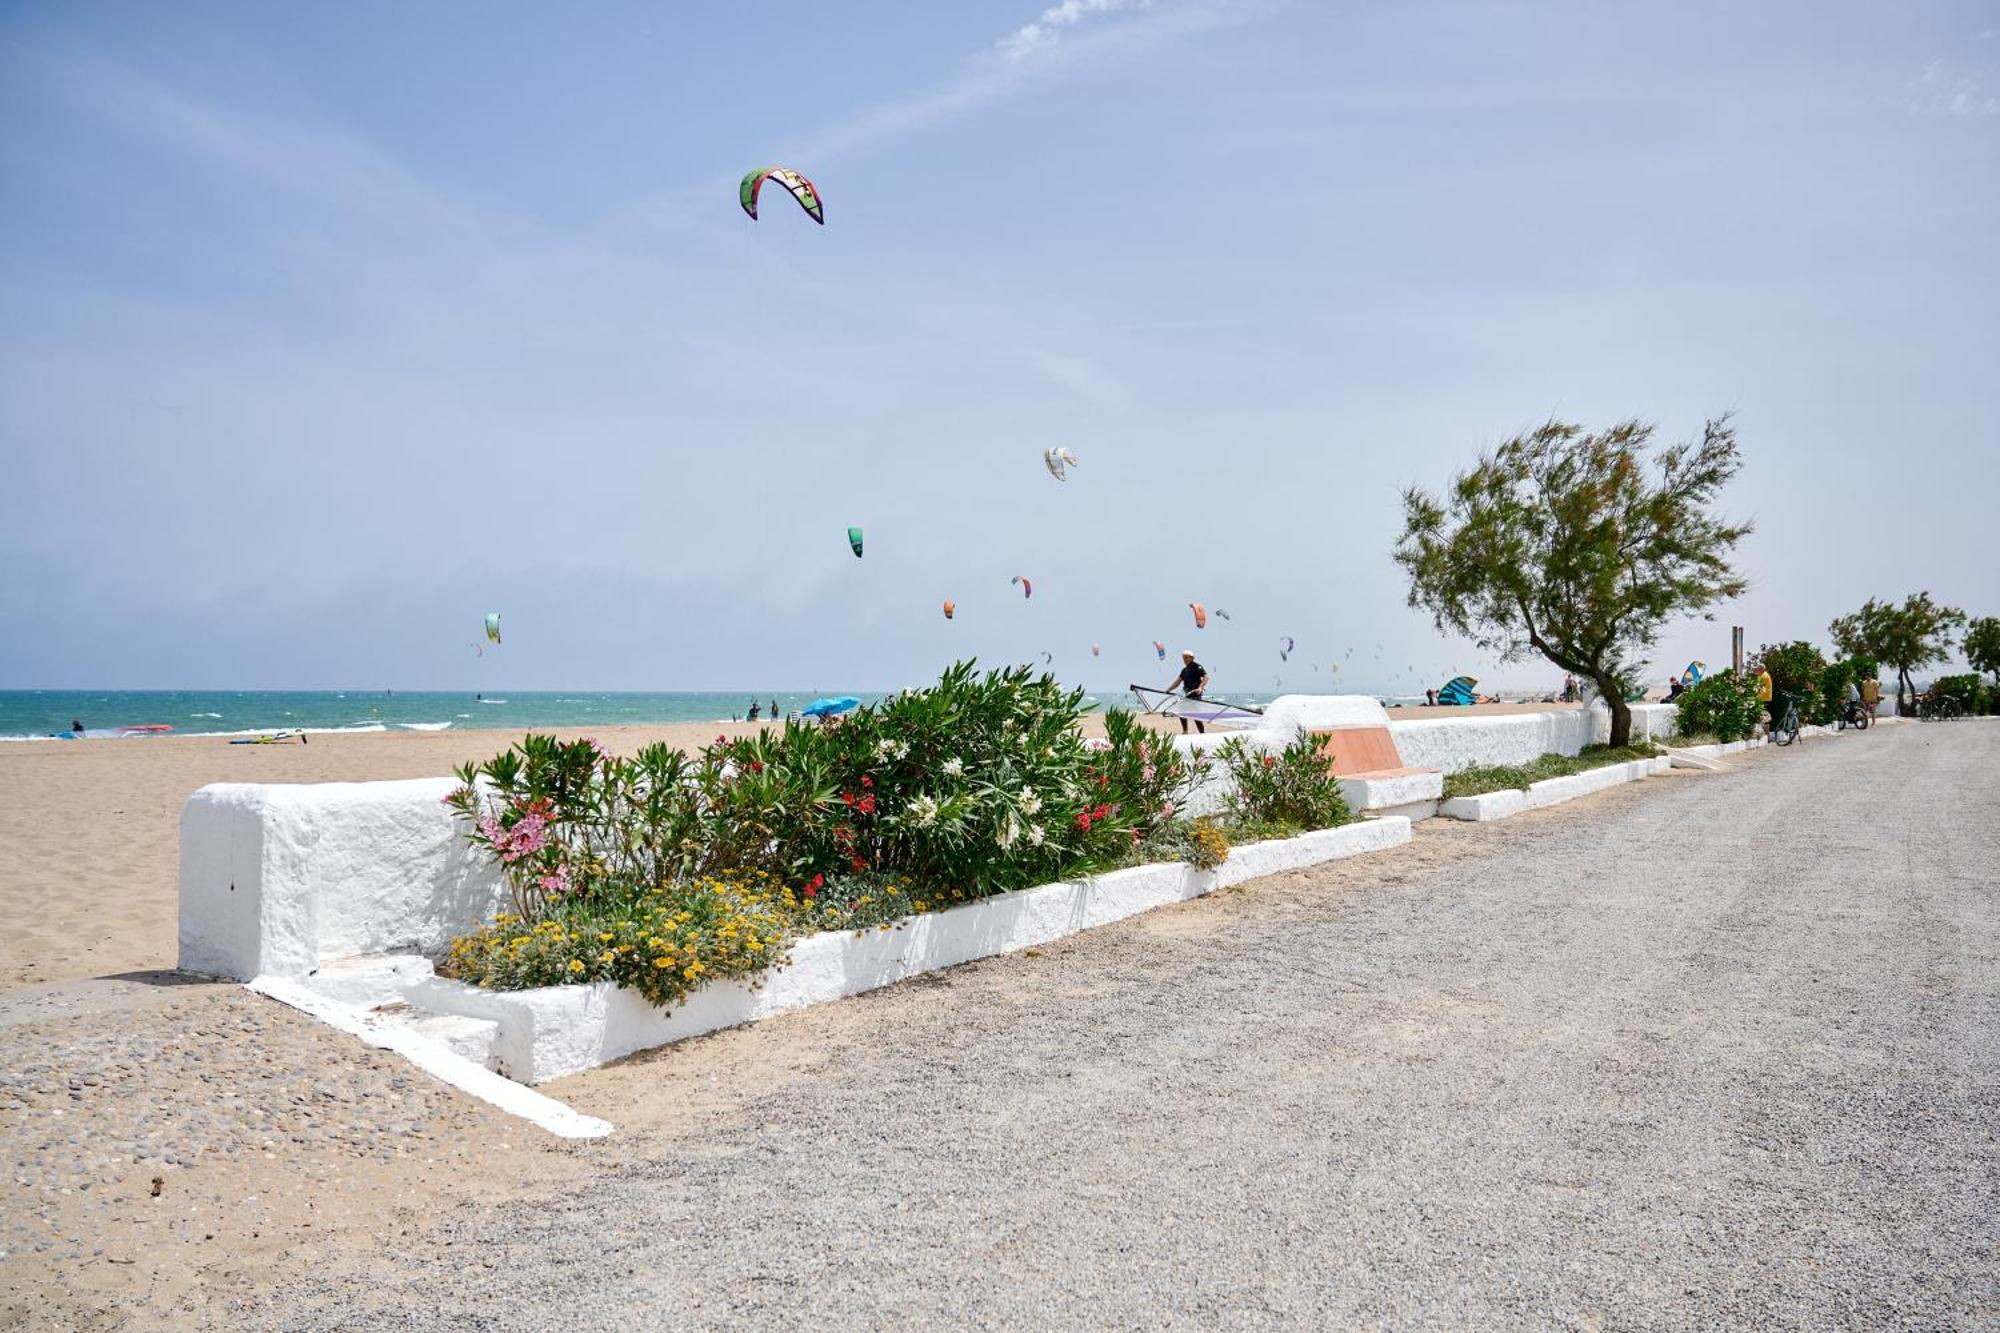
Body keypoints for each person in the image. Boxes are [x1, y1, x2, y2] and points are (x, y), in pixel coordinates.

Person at [1166, 650, 1210, 734]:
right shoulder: (1184, 670)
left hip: (1195, 694)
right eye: (1183, 658)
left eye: (1186, 657)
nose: (1184, 659)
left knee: (1195, 715)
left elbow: (1206, 677)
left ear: (1192, 658)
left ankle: (1202, 733)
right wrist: (1168, 690)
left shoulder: (1197, 666)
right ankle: (1185, 731)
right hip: (1187, 694)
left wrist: (1200, 688)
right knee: (1181, 711)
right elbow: (1177, 682)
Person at [1756, 662, 1776, 733]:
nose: (1756, 670)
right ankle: (1766, 735)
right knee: (1765, 717)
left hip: (1764, 699)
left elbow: (1759, 688)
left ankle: (1767, 735)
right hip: (1764, 698)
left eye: (1757, 669)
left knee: (1765, 717)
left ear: (1762, 669)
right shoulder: (1761, 675)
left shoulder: (1763, 676)